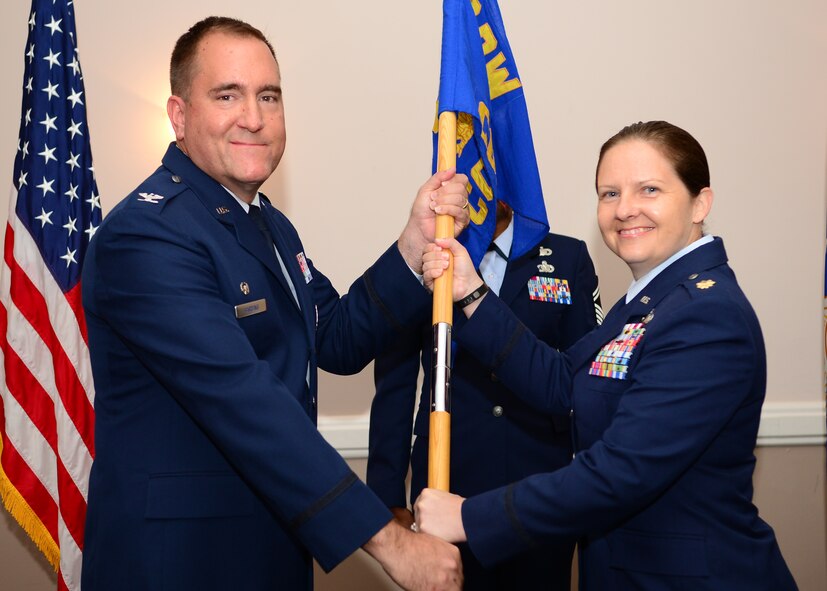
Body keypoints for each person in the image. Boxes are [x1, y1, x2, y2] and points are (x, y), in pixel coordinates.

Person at [80, 16, 467, 591]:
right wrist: (389, 542)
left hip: (270, 550)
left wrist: (413, 242)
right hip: (181, 565)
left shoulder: (269, 227)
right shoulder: (145, 236)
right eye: (227, 95)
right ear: (179, 115)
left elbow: (333, 336)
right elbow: (244, 401)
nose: (254, 118)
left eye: (269, 96)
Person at [414, 121, 798, 590]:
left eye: (649, 189)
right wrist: (472, 292)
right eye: (609, 193)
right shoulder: (649, 302)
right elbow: (562, 382)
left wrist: (469, 517)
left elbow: (620, 472)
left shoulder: (706, 316)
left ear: (701, 202)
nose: (625, 210)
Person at [367, 200, 601, 589]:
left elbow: (587, 384)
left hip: (540, 486)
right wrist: (388, 497)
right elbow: (396, 382)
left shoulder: (567, 256)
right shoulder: (428, 255)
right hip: (448, 481)